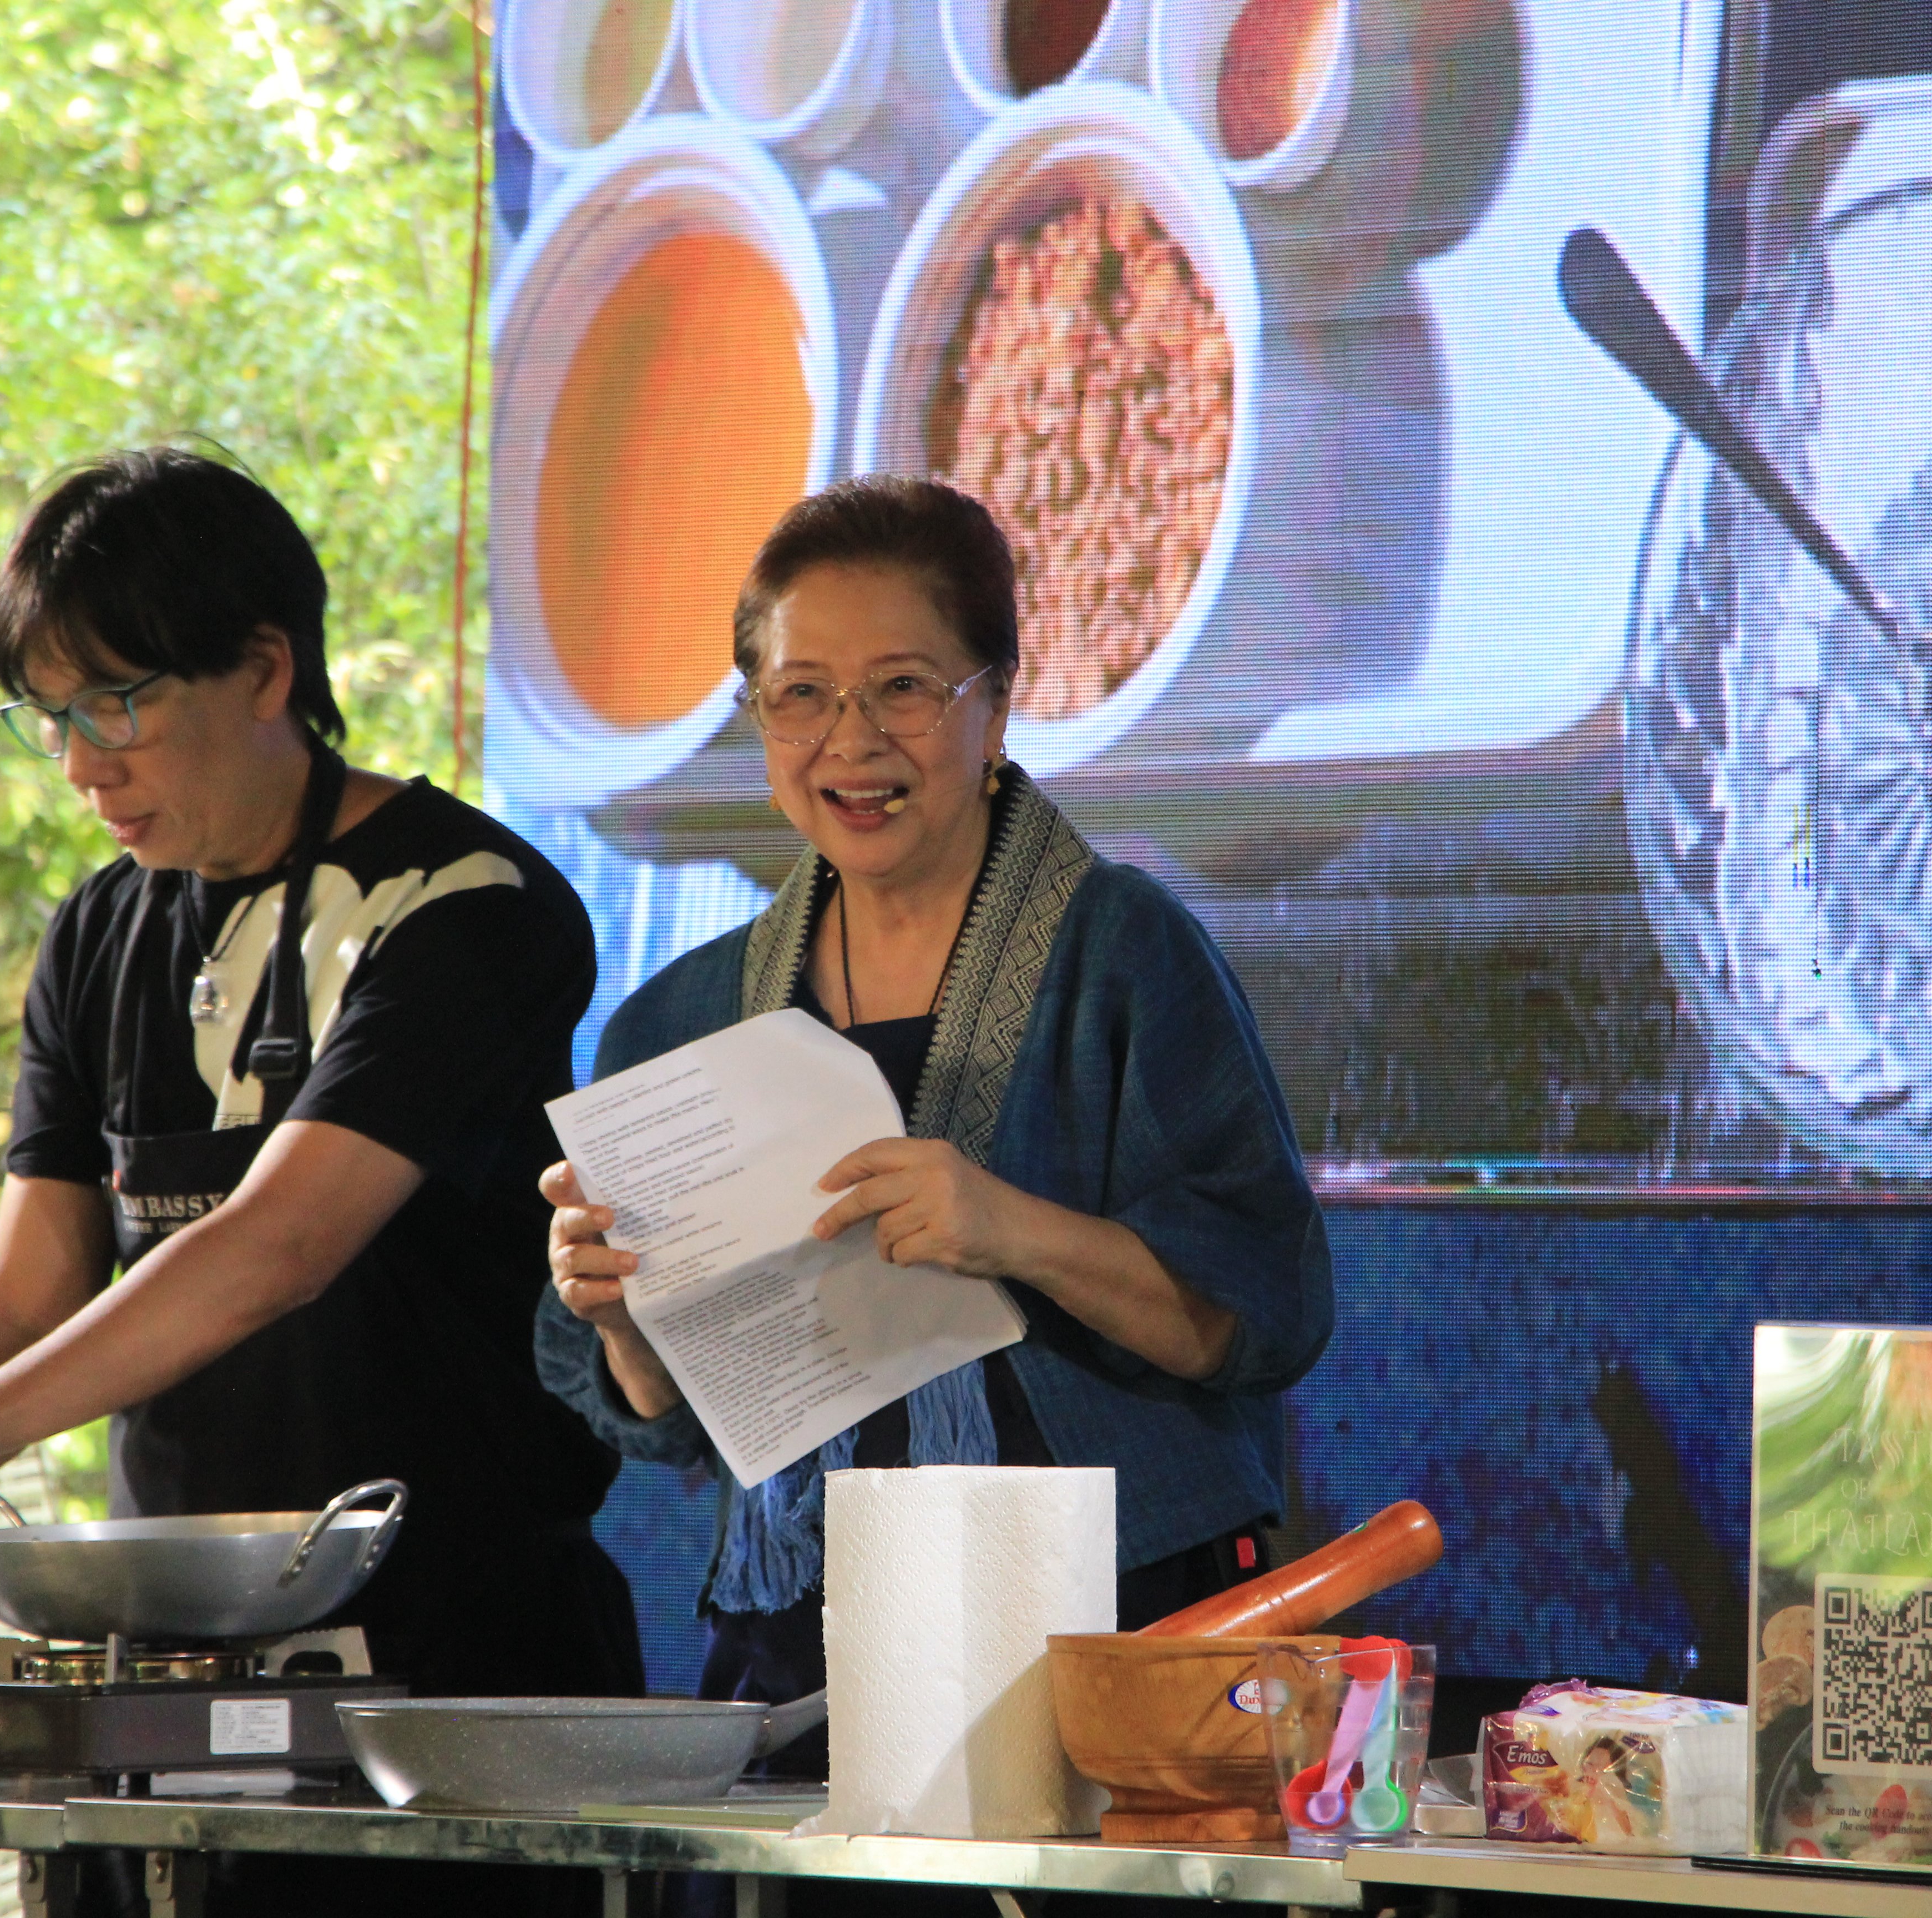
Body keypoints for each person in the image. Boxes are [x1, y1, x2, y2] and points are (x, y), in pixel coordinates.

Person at [0, 446, 638, 1915]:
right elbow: (26, 1292)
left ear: (267, 670)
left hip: (454, 1681)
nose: (86, 764)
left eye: (123, 705)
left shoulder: (465, 906)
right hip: (160, 1690)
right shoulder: (100, 934)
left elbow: (277, 1243)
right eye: (53, 719)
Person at [534, 475, 1335, 1781]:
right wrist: (621, 1314)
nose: (851, 741)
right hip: (808, 1657)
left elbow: (1257, 1315)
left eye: (905, 688)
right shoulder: (675, 1023)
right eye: (800, 696)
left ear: (998, 707)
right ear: (757, 718)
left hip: (1114, 1640)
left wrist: (1010, 1229)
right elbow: (669, 1421)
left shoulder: (1128, 952)